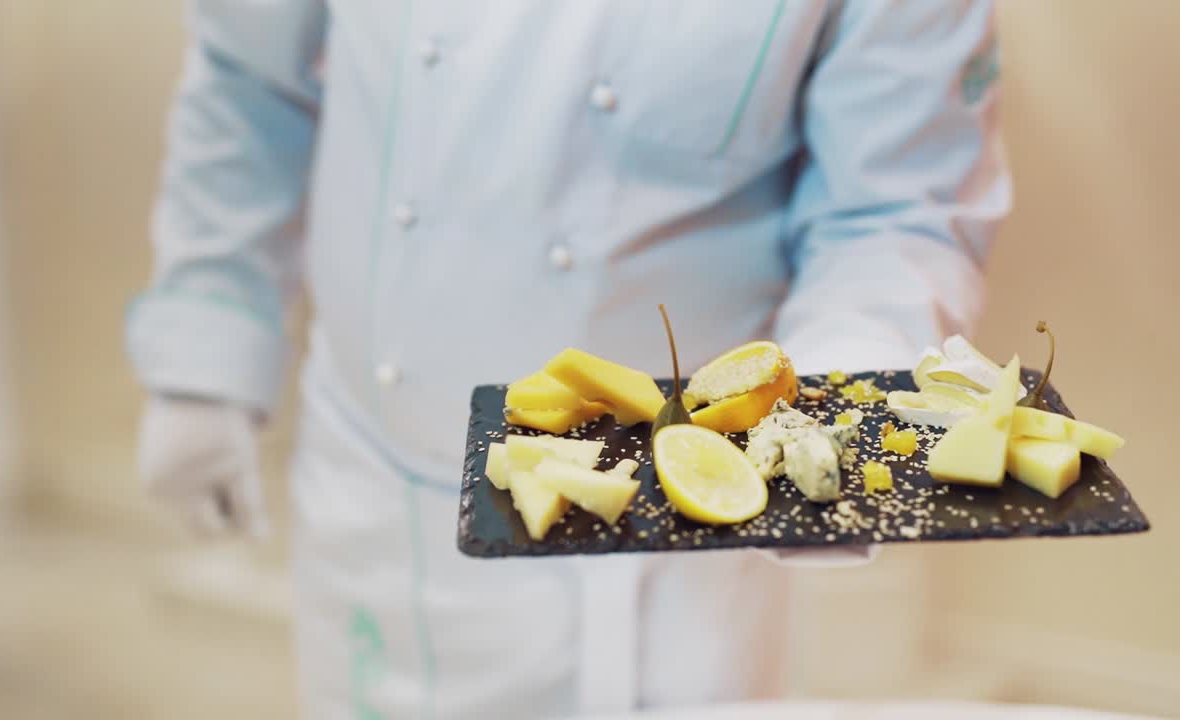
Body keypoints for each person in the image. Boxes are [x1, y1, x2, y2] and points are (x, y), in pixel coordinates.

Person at [128, 1, 1009, 718]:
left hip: (679, 536)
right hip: (383, 489)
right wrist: (209, 346)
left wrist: (825, 421)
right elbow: (252, 83)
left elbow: (893, 210)